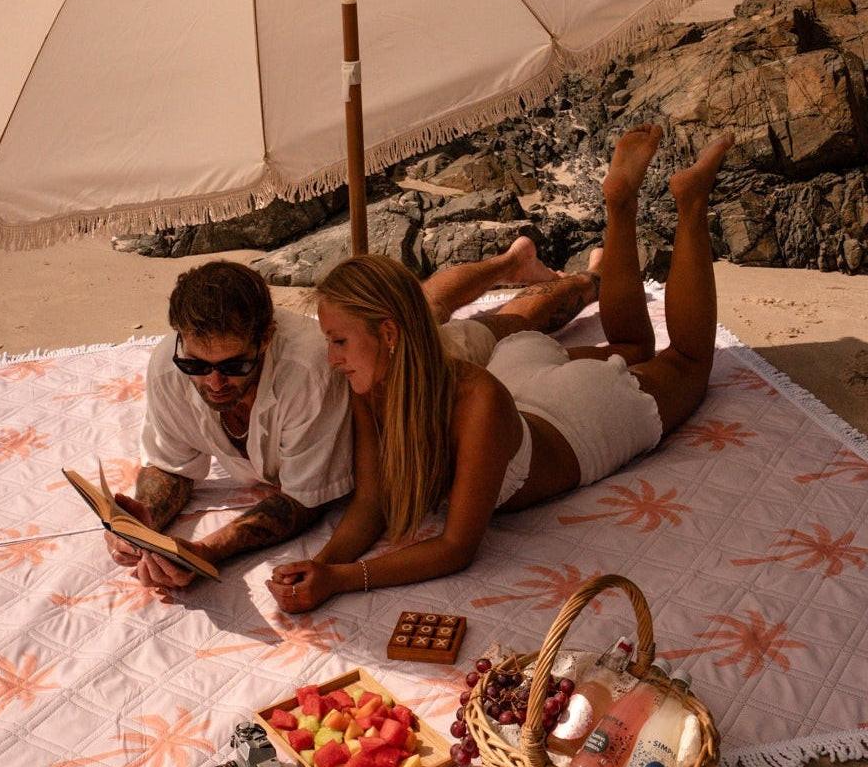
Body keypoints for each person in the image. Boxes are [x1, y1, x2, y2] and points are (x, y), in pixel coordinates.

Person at [266, 125, 734, 614]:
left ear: (387, 334)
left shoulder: (473, 397)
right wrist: (320, 565)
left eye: (339, 341)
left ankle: (691, 202)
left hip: (577, 417)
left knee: (686, 361)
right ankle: (619, 202)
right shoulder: (375, 386)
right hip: (518, 376)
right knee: (630, 344)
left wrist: (342, 579)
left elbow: (456, 548)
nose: (331, 356)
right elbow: (371, 504)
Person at [106, 238, 600, 588]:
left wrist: (209, 550)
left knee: (502, 324)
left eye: (233, 366)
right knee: (429, 297)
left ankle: (587, 278)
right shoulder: (170, 366)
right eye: (197, 364)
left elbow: (301, 501)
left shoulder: (313, 369)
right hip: (368, 343)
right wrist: (147, 522)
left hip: (395, 362)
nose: (212, 381)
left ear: (267, 338)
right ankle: (513, 258)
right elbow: (169, 464)